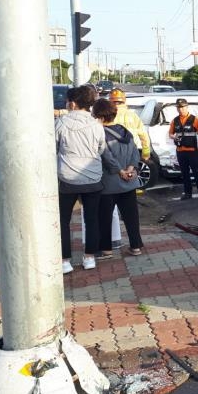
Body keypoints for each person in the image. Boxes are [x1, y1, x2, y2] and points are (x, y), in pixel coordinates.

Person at [56, 85, 123, 273]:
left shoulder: (61, 123)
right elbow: (103, 152)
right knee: (91, 219)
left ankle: (65, 261)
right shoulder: (96, 125)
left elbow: (52, 148)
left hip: (67, 179)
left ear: (73, 103)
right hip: (93, 179)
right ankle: (89, 258)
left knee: (63, 221)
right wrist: (118, 170)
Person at [92, 99, 145, 258]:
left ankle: (106, 250)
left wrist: (119, 171)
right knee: (131, 217)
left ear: (99, 116)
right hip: (129, 182)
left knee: (104, 218)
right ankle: (136, 247)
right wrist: (131, 168)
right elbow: (135, 151)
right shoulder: (124, 130)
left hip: (109, 183)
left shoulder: (100, 132)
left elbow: (106, 155)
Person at [168, 98, 198, 200]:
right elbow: (170, 134)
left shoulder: (194, 119)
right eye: (179, 108)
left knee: (196, 172)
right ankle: (187, 193)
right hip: (180, 151)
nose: (180, 109)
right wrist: (174, 137)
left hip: (192, 151)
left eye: (182, 107)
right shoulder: (175, 120)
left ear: (187, 107)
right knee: (184, 173)